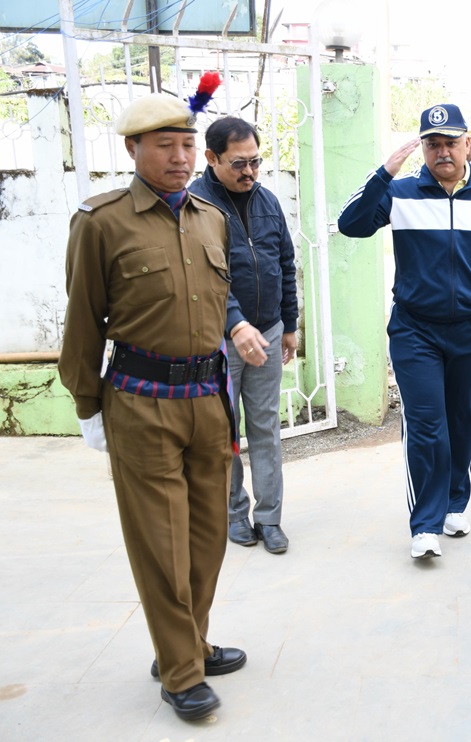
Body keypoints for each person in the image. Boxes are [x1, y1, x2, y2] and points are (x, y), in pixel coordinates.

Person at [57, 88, 246, 721]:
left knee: (208, 536)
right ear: (133, 149)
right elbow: (83, 318)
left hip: (206, 397)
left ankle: (184, 645)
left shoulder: (209, 217)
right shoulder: (101, 220)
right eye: (164, 145)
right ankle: (181, 672)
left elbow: (218, 315)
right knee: (161, 544)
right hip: (141, 401)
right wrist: (88, 405)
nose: (179, 156)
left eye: (188, 144)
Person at [337, 103, 471, 559]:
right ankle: (424, 523)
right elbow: (351, 224)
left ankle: (454, 503)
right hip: (415, 330)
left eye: (450, 142)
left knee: (462, 420)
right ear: (421, 148)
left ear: (469, 145)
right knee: (426, 425)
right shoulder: (400, 191)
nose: (442, 151)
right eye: (432, 143)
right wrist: (383, 172)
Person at [189, 117, 298, 555]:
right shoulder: (195, 207)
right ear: (211, 158)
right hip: (219, 339)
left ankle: (269, 518)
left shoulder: (267, 200)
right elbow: (206, 278)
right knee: (224, 431)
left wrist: (289, 324)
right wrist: (235, 323)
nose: (249, 172)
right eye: (238, 164)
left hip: (268, 333)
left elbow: (286, 264)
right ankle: (235, 513)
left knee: (266, 427)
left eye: (255, 161)